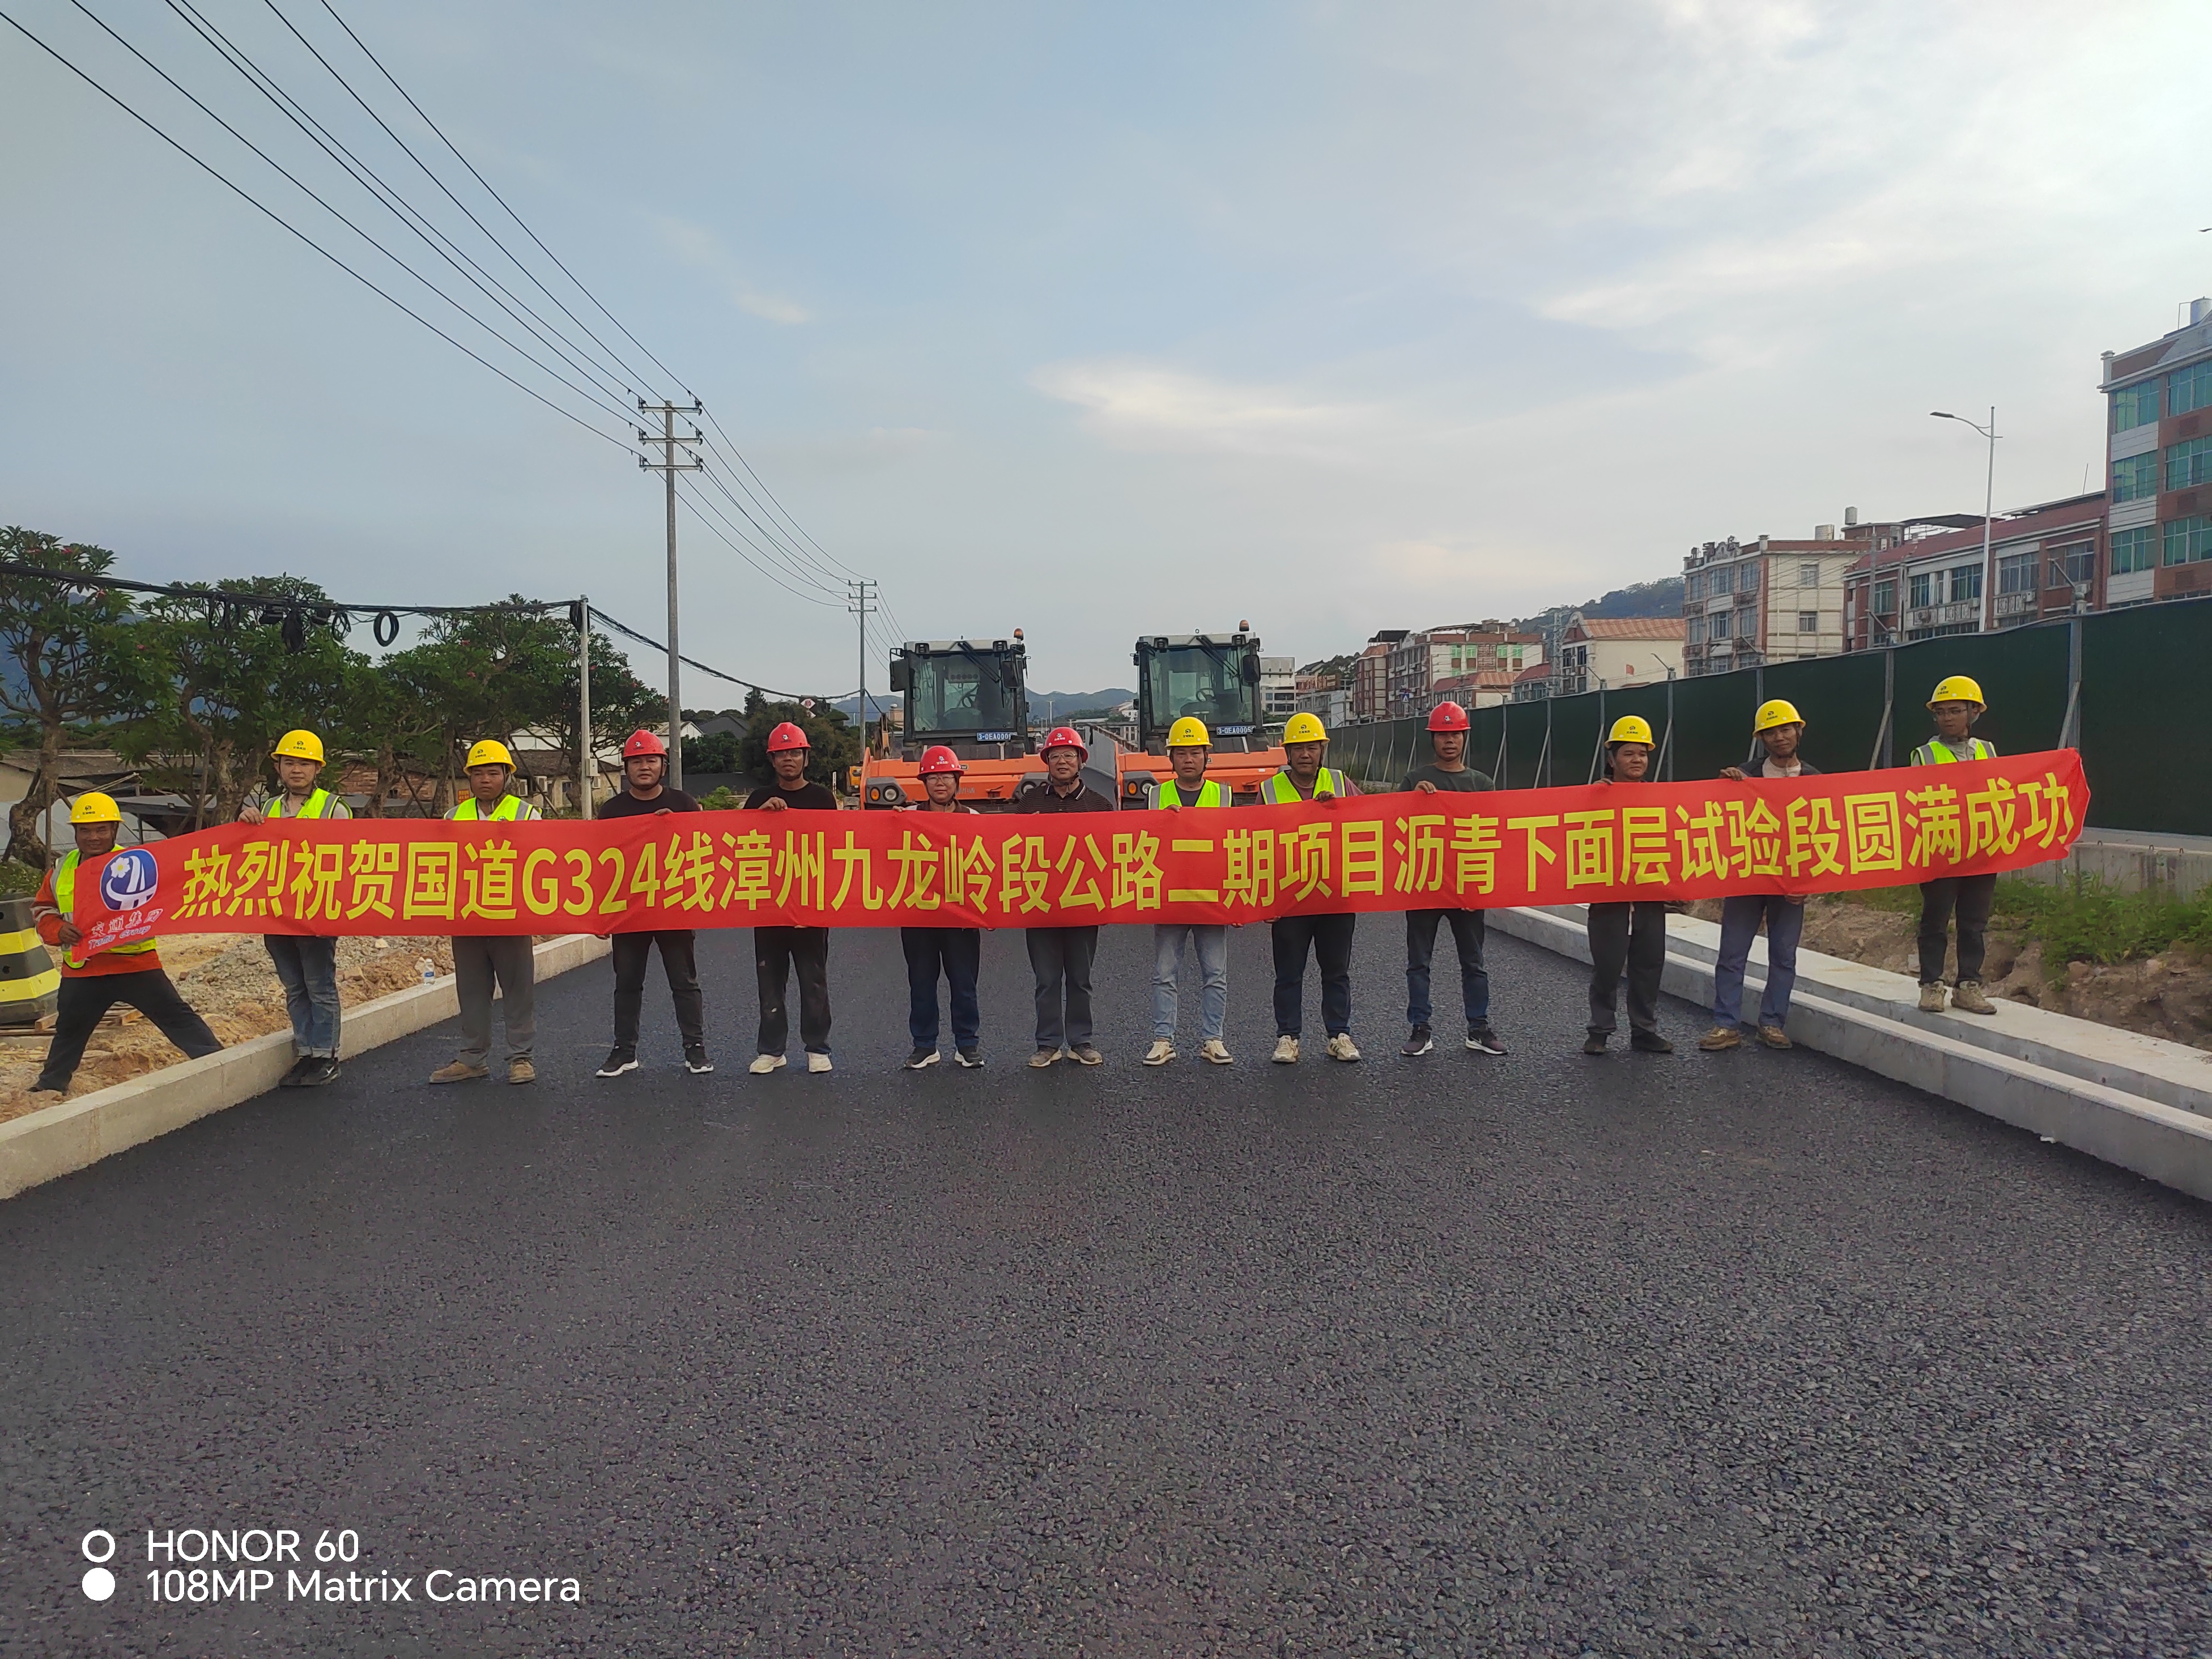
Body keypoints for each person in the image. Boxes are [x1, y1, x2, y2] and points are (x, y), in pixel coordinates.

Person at [27, 792, 221, 1101]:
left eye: (101, 830)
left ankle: (220, 1064)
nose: (93, 837)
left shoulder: (139, 863)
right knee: (70, 1031)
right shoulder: (62, 868)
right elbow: (43, 909)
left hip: (135, 964)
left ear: (115, 830)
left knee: (178, 1018)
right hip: (83, 969)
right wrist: (58, 930)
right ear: (75, 832)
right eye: (85, 830)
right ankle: (51, 1085)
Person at [1700, 700, 1819, 1053]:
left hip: (1790, 883)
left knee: (1784, 955)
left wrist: (1807, 884)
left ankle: (1772, 1023)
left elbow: (1822, 835)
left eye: (1785, 729)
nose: (1779, 737)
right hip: (1747, 878)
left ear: (1799, 731)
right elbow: (1719, 818)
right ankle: (1726, 1025)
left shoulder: (1815, 781)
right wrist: (1725, 786)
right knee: (1732, 952)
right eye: (1771, 732)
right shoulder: (1743, 776)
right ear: (1761, 739)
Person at [594, 729, 710, 1078]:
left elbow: (704, 850)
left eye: (651, 760)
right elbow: (600, 863)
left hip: (674, 906)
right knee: (627, 983)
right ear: (626, 767)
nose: (644, 767)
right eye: (636, 761)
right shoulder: (612, 811)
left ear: (663, 765)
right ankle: (624, 1051)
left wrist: (674, 828)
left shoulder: (684, 804)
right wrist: (600, 916)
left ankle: (695, 1048)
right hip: (629, 909)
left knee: (684, 981)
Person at [237, 728, 350, 1087]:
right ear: (278, 768)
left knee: (320, 986)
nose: (296, 770)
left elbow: (348, 860)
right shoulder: (267, 809)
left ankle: (326, 1056)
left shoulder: (334, 808)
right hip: (277, 914)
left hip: (316, 914)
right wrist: (245, 825)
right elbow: (248, 854)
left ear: (318, 769)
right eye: (289, 763)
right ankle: (306, 1053)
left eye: (304, 763)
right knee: (295, 987)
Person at [431, 740, 543, 1086]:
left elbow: (542, 862)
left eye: (493, 773)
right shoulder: (453, 817)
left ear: (507, 775)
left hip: (511, 916)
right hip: (467, 917)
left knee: (517, 990)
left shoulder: (527, 814)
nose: (484, 780)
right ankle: (472, 1058)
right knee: (472, 990)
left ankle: (521, 1058)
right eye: (477, 773)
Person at [1399, 700, 1506, 1058]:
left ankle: (1479, 1028)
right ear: (1433, 739)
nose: (1450, 741)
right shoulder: (1414, 780)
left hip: (1467, 886)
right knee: (1419, 963)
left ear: (1464, 738)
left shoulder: (1482, 784)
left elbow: (1494, 834)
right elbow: (1394, 827)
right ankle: (1420, 1028)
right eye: (1443, 735)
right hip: (1425, 883)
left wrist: (1485, 885)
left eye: (1456, 734)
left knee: (1474, 962)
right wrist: (1413, 801)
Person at [1261, 711, 1361, 1064]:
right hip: (1290, 897)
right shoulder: (1269, 790)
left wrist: (1337, 810)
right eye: (1298, 748)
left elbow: (1369, 822)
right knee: (1289, 973)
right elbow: (1256, 845)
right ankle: (1288, 1037)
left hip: (1334, 894)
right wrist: (1265, 900)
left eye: (1312, 747)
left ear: (1322, 750)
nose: (1306, 754)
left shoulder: (1340, 783)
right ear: (1287, 752)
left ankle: (1339, 1034)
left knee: (1336, 971)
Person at [1015, 725, 1114, 1067]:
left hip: (1084, 905)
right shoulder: (1029, 804)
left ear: (1081, 761)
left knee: (1080, 979)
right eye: (1055, 756)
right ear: (1046, 761)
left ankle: (1081, 1041)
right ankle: (1047, 1044)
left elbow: (1115, 854)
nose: (1062, 762)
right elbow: (1008, 848)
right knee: (1046, 980)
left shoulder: (1099, 805)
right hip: (1040, 904)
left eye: (1069, 755)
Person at [746, 721, 839, 1074]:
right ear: (772, 760)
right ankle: (772, 1050)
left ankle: (817, 1047)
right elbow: (738, 845)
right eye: (781, 754)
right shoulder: (758, 799)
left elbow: (837, 847)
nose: (788, 759)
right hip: (768, 904)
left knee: (813, 979)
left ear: (806, 758)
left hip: (810, 905)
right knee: (769, 980)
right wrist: (761, 816)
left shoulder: (822, 799)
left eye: (795, 753)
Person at [1145, 716, 1233, 1066]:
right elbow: (1141, 843)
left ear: (1206, 756)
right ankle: (1163, 1039)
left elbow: (1235, 846)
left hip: (1211, 898)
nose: (1188, 759)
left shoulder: (1223, 795)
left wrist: (1236, 902)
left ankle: (1213, 1039)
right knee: (1165, 973)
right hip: (1171, 897)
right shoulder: (1156, 795)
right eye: (1181, 753)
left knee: (1215, 973)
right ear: (1171, 758)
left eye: (1195, 752)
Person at [1911, 674, 2000, 1016]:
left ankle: (1968, 987)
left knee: (1974, 923)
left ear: (1974, 712)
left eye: (1955, 711)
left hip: (1980, 851)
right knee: (1935, 921)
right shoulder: (1924, 755)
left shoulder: (1988, 751)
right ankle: (1932, 986)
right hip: (1941, 852)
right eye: (1941, 712)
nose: (1947, 718)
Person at [1584, 715, 1673, 1056]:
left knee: (1649, 965)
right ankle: (1600, 1031)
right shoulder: (1595, 797)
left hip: (1649, 897)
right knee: (1607, 967)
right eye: (1628, 753)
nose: (1637, 760)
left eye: (1642, 754)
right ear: (1612, 759)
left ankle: (1644, 1030)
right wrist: (1593, 798)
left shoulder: (1659, 798)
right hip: (1608, 898)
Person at [899, 745, 982, 1070]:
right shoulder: (907, 817)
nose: (940, 783)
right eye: (933, 777)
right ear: (924, 782)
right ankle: (924, 1046)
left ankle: (967, 1044)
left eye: (947, 776)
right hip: (918, 915)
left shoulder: (974, 820)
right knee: (921, 984)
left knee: (964, 985)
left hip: (962, 917)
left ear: (957, 781)